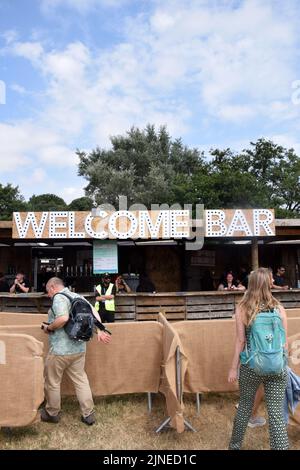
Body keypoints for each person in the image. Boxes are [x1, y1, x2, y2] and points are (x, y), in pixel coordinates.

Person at [228, 267, 289, 450]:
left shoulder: (243, 308)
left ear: (251, 284)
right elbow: (284, 343)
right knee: (276, 413)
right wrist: (282, 363)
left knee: (245, 406)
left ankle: (235, 446)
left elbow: (240, 341)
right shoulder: (279, 308)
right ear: (268, 284)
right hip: (277, 367)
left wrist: (233, 368)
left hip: (251, 367)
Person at [40, 277, 111, 425]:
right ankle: (88, 413)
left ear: (53, 287)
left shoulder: (59, 298)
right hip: (79, 349)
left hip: (60, 350)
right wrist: (101, 330)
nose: (48, 295)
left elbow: (63, 318)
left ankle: (52, 413)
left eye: (48, 291)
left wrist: (49, 328)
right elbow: (93, 313)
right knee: (81, 380)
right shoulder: (77, 296)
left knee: (52, 382)